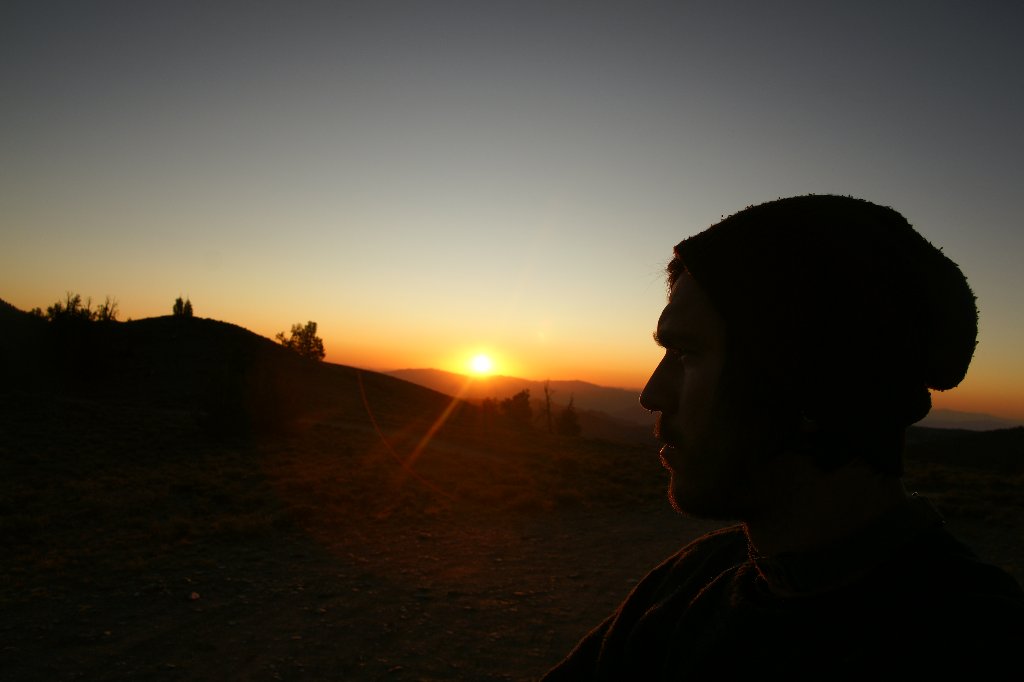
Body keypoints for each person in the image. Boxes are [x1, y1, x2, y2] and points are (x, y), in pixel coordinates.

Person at [540, 195, 1024, 679]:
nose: (651, 394)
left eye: (687, 353)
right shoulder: (695, 576)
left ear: (814, 387)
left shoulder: (979, 643)